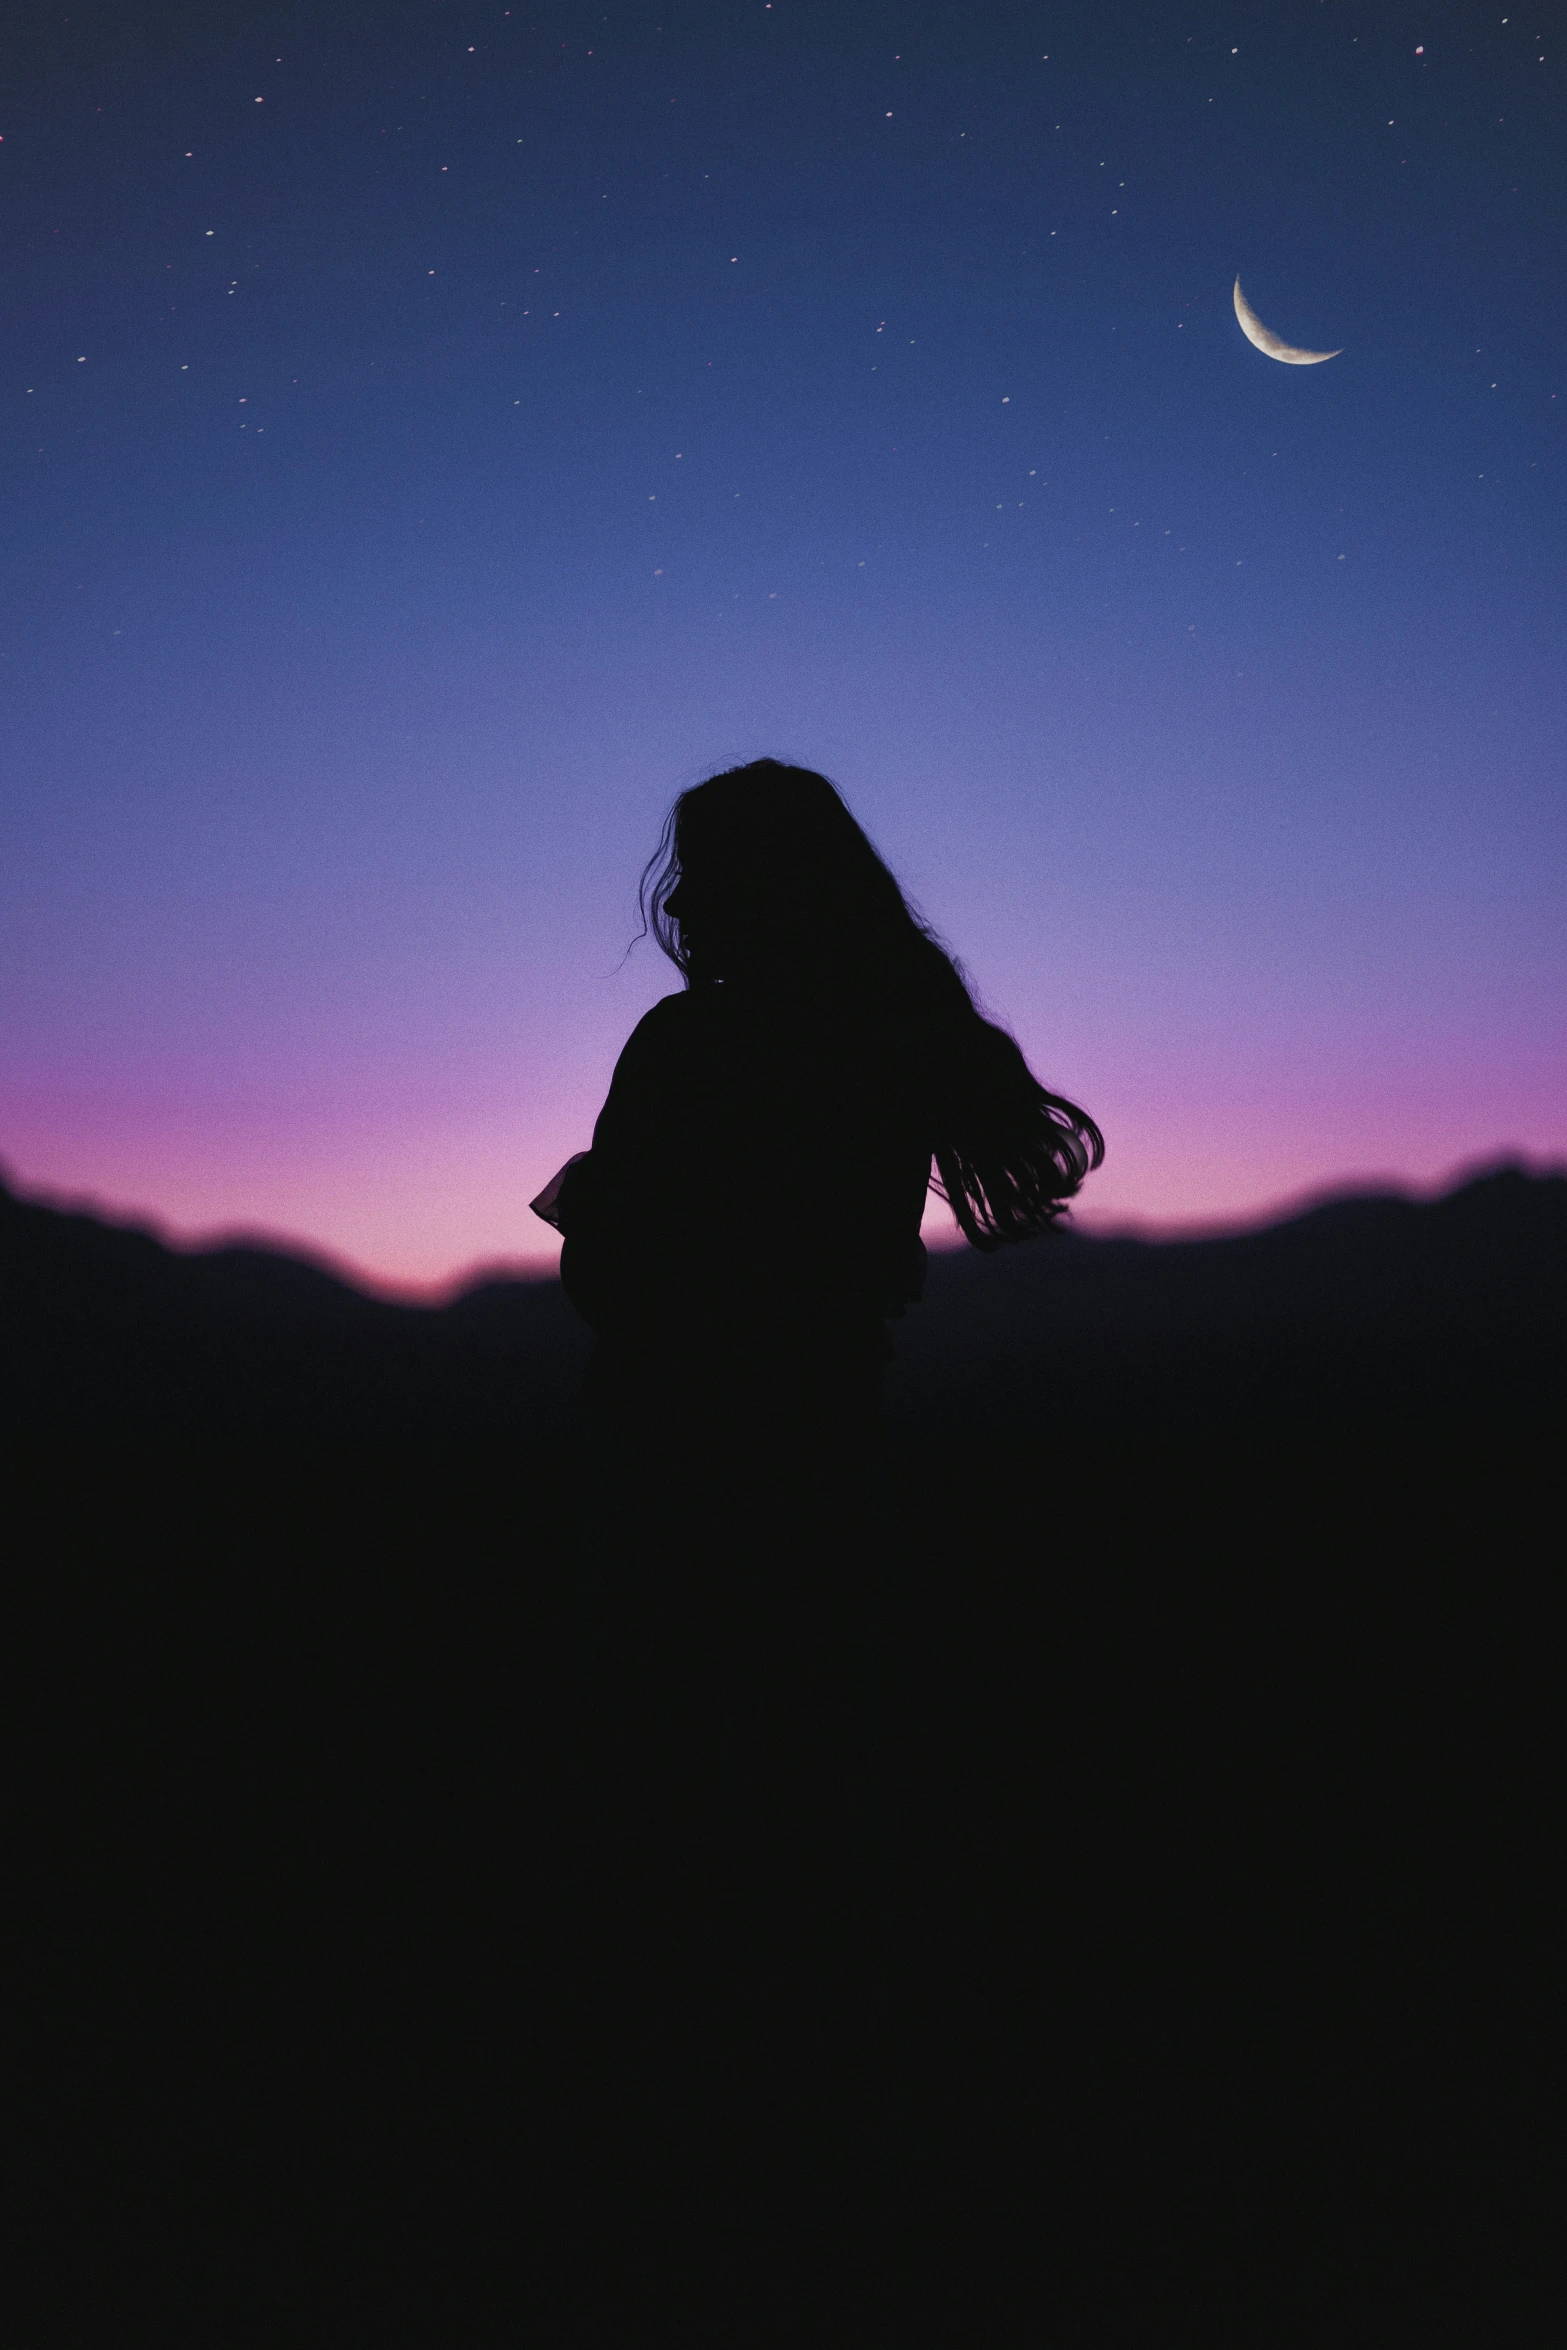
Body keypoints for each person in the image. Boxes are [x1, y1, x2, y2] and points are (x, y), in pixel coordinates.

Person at [532, 759, 1102, 1569]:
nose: (676, 900)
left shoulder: (691, 1043)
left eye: (698, 873)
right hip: (830, 1450)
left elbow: (616, 1277)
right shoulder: (889, 1042)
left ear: (761, 884)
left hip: (674, 1464)